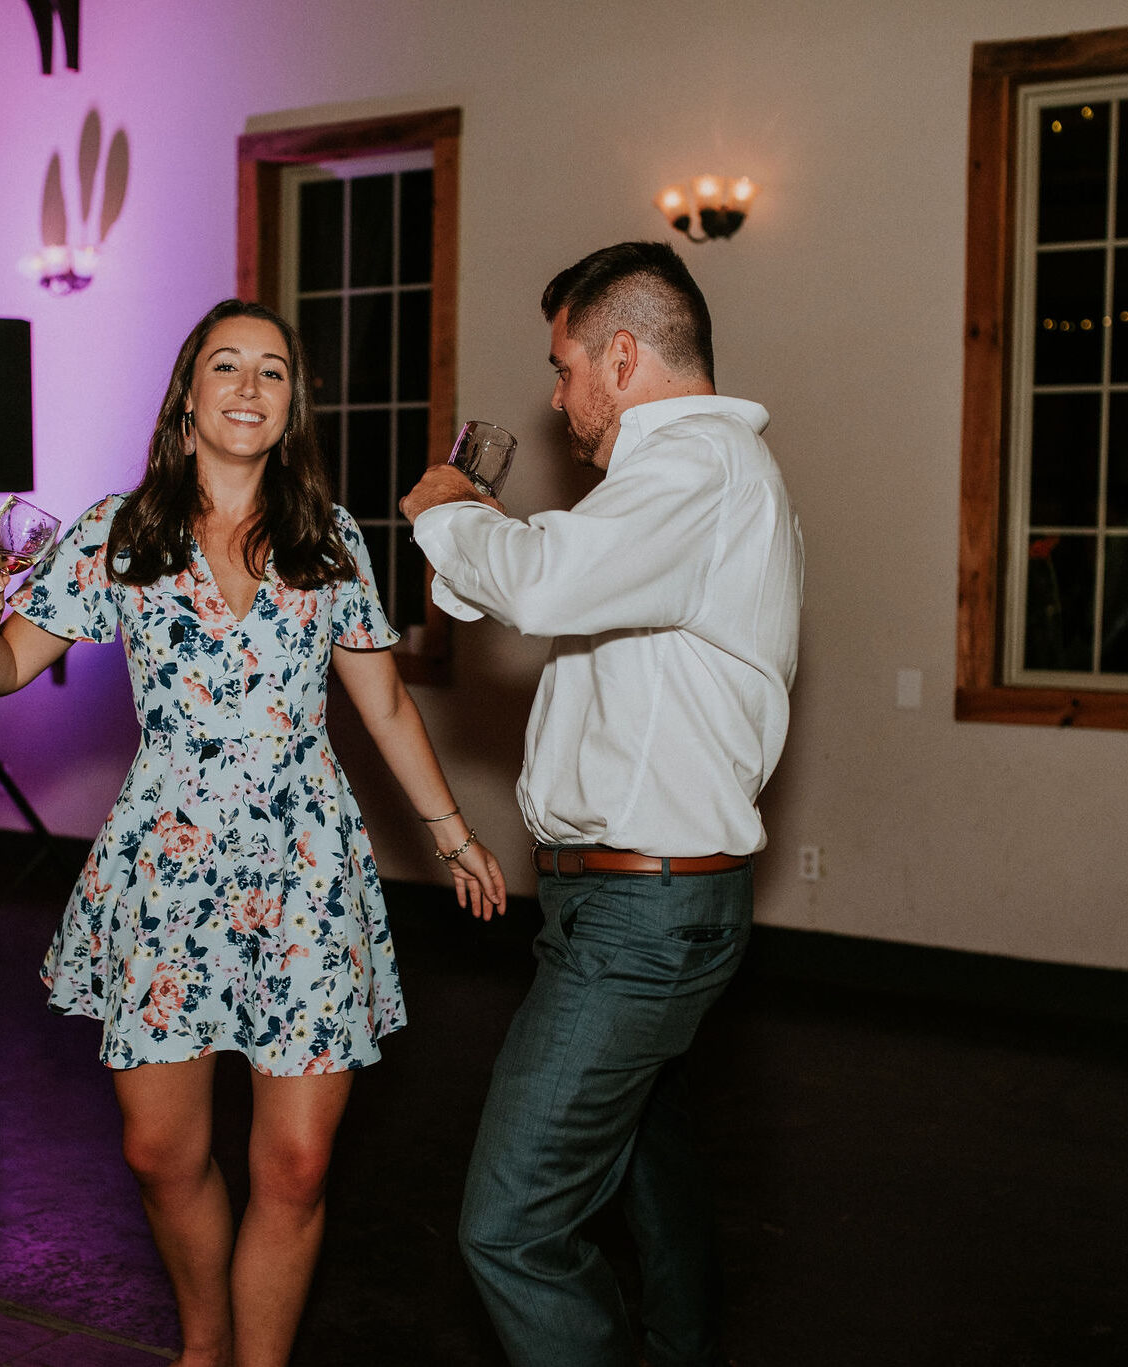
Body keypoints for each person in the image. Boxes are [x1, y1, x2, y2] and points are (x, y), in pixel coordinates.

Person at [0, 298, 506, 1367]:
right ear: (189, 396)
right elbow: (4, 667)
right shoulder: (123, 530)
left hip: (304, 866)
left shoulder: (328, 537)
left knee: (295, 1162)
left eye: (274, 372)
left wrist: (450, 831)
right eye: (226, 367)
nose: (249, 387)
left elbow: (383, 705)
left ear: (291, 406)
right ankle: (202, 1338)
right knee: (161, 1151)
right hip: (169, 862)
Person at [400, 241, 804, 1367]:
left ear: (620, 357)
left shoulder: (698, 470)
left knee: (512, 1227)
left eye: (564, 362)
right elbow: (519, 587)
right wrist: (472, 539)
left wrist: (442, 507)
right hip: (626, 905)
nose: (555, 390)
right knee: (648, 1174)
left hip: (639, 920)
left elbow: (533, 580)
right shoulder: (666, 491)